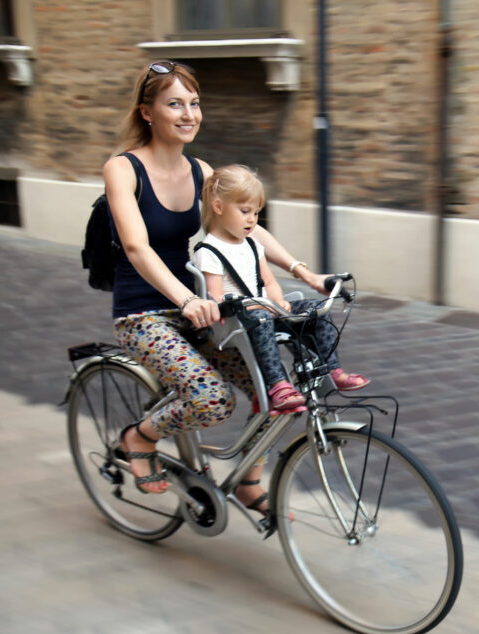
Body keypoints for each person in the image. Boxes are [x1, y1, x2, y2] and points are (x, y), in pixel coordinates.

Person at [103, 61, 360, 515]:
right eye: (174, 104)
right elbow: (136, 247)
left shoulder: (201, 170)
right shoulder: (123, 169)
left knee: (275, 392)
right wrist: (185, 299)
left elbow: (244, 227)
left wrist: (306, 274)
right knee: (212, 399)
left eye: (194, 104)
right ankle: (139, 436)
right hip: (145, 313)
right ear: (147, 112)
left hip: (206, 307)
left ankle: (249, 479)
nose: (188, 114)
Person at [191, 164, 370, 415]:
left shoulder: (252, 245)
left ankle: (331, 369)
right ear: (218, 207)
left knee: (315, 309)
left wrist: (278, 302)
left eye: (256, 212)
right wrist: (249, 306)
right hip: (238, 322)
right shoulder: (209, 251)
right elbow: (216, 296)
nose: (252, 219)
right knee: (261, 316)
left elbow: (270, 281)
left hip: (266, 311)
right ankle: (278, 386)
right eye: (245, 211)